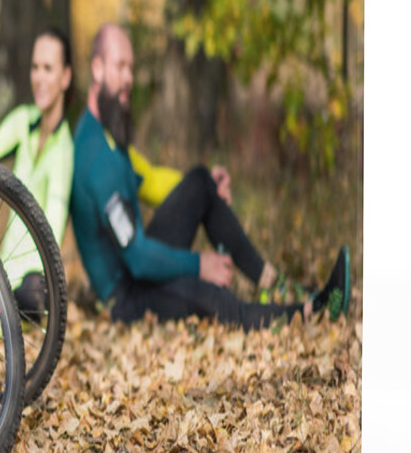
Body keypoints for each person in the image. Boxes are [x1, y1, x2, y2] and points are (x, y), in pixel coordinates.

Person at [70, 23, 350, 331]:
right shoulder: (94, 155)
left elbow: (146, 178)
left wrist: (208, 189)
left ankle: (272, 283)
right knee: (214, 298)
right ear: (97, 69)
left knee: (200, 182)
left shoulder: (106, 135)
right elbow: (137, 257)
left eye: (131, 68)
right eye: (120, 67)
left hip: (137, 266)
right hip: (127, 297)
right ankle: (314, 310)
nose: (129, 79)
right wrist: (199, 265)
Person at [0, 27, 74, 314]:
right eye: (35, 67)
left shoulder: (64, 152)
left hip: (24, 283)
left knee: (37, 292)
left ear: (65, 77)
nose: (39, 78)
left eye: (48, 69)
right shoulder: (22, 121)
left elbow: (48, 244)